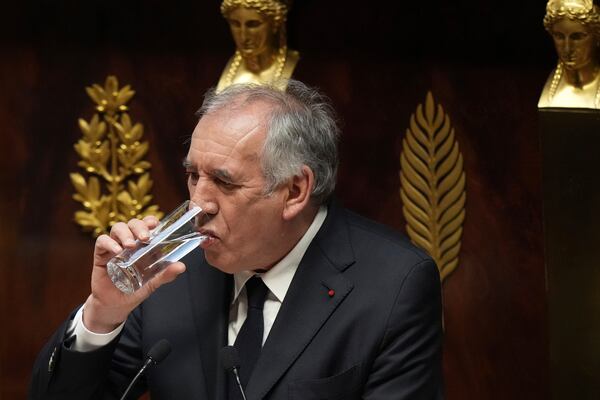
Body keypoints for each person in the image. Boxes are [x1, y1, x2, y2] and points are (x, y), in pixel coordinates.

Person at [29, 80, 443, 399]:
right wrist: (103, 315)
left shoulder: (395, 286)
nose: (198, 203)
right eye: (193, 175)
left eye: (223, 182)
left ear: (295, 191)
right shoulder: (168, 271)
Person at [216, 0, 299, 92]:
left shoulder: (298, 68)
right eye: (235, 24)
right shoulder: (225, 69)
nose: (243, 37)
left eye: (253, 25)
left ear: (275, 23)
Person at [539, 0, 600, 108]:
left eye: (577, 37)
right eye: (559, 36)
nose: (567, 48)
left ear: (597, 36)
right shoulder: (551, 94)